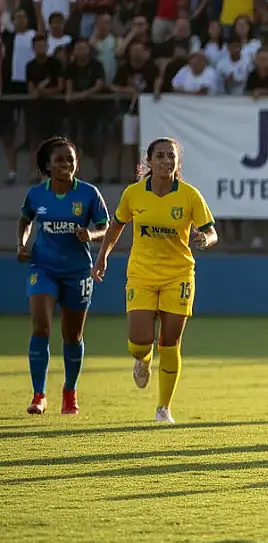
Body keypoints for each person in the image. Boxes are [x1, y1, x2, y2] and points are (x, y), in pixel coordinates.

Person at [91, 137, 219, 424]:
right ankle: (142, 359)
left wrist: (205, 239)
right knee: (140, 341)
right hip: (142, 273)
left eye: (170, 156)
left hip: (179, 274)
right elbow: (116, 226)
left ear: (177, 162)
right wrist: (102, 258)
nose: (165, 161)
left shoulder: (189, 195)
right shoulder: (134, 194)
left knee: (170, 341)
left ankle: (164, 408)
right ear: (148, 162)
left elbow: (211, 231)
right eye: (159, 156)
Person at [16, 137, 109, 415]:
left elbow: (106, 226)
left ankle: (69, 392)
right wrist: (22, 244)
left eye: (70, 159)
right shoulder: (36, 195)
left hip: (77, 271)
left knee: (72, 335)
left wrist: (90, 234)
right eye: (59, 160)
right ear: (48, 165)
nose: (66, 164)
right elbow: (25, 220)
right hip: (43, 268)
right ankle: (39, 395)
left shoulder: (89, 194)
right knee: (41, 326)